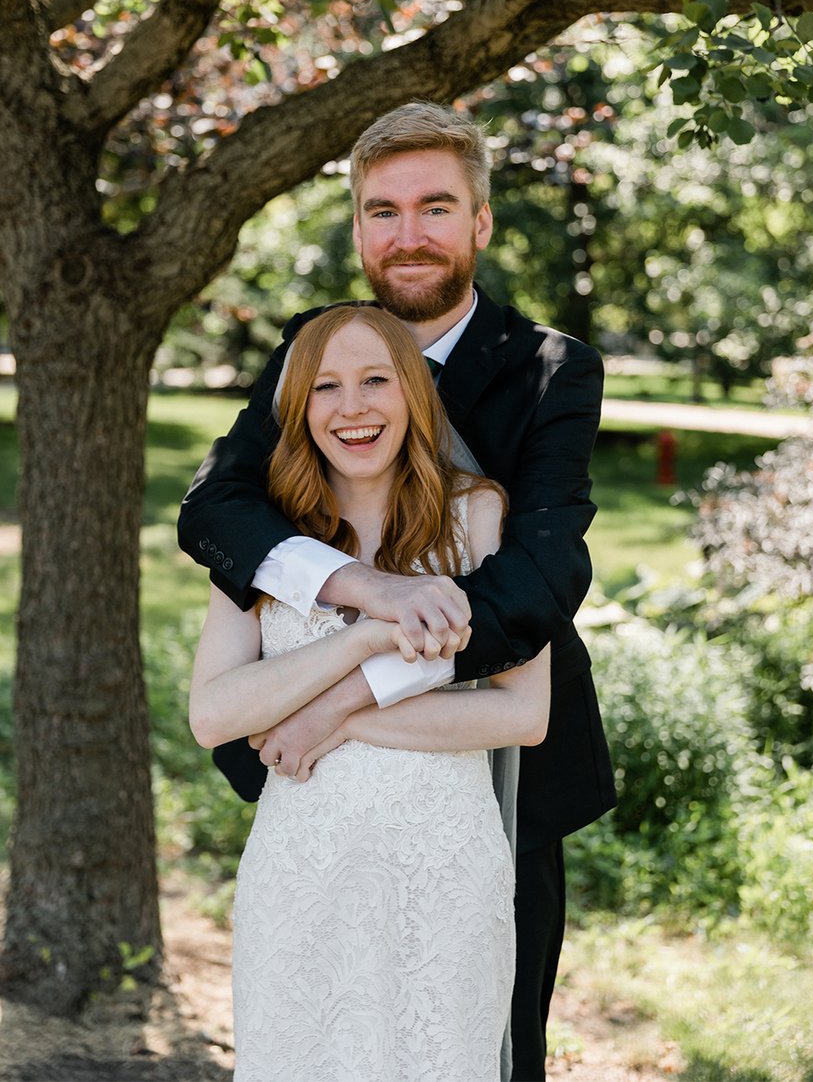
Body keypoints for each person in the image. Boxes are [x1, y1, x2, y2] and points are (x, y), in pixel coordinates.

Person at [178, 101, 616, 1078]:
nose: (407, 234)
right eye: (382, 210)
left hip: (486, 783)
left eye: (434, 206)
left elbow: (538, 578)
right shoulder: (312, 347)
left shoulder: (549, 369)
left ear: (480, 222)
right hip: (309, 796)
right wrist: (352, 587)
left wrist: (341, 698)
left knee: (484, 1047)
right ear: (359, 225)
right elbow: (217, 508)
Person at [191, 305, 549, 1078]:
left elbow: (525, 713)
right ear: (299, 408)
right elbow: (213, 714)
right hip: (302, 868)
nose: (352, 407)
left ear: (413, 392)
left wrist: (334, 714)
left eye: (375, 380)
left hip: (443, 867)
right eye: (325, 387)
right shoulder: (265, 538)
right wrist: (362, 635)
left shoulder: (475, 515)